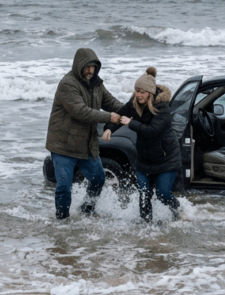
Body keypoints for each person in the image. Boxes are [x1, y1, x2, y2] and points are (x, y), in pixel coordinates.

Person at [45, 48, 122, 219]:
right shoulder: (68, 84)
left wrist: (132, 111)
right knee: (64, 186)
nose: (89, 70)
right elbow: (81, 111)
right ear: (78, 66)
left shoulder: (97, 85)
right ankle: (62, 220)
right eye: (86, 67)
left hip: (86, 145)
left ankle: (87, 210)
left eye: (92, 67)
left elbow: (112, 103)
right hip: (63, 145)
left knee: (98, 179)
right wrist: (110, 117)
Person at [103, 67, 181, 223]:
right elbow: (121, 116)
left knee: (163, 195)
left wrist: (131, 123)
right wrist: (109, 129)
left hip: (166, 160)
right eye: (137, 91)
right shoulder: (134, 103)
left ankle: (178, 212)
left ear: (150, 93)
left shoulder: (162, 107)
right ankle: (144, 231)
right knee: (144, 195)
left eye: (142, 92)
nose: (139, 95)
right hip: (144, 161)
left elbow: (152, 131)